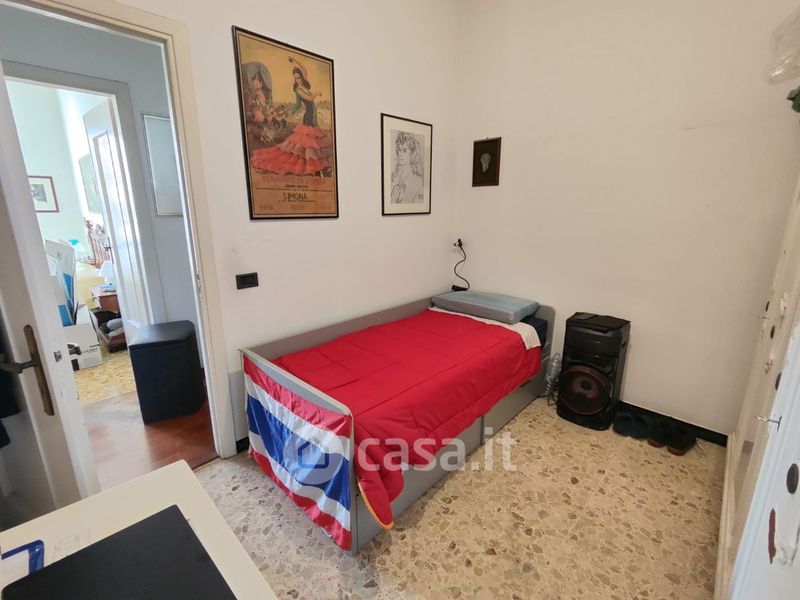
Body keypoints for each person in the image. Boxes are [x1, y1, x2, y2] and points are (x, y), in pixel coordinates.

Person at [250, 56, 332, 176]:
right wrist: (317, 93)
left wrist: (294, 60)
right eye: (295, 78)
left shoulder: (304, 85)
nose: (297, 80)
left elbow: (304, 69)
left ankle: (316, 169)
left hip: (312, 116)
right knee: (307, 143)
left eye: (299, 77)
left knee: (311, 144)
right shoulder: (298, 89)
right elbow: (309, 99)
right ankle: (313, 169)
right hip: (308, 117)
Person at [390, 131, 424, 204]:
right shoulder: (393, 177)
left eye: (404, 151)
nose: (400, 154)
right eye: (399, 150)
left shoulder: (417, 181)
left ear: (412, 153)